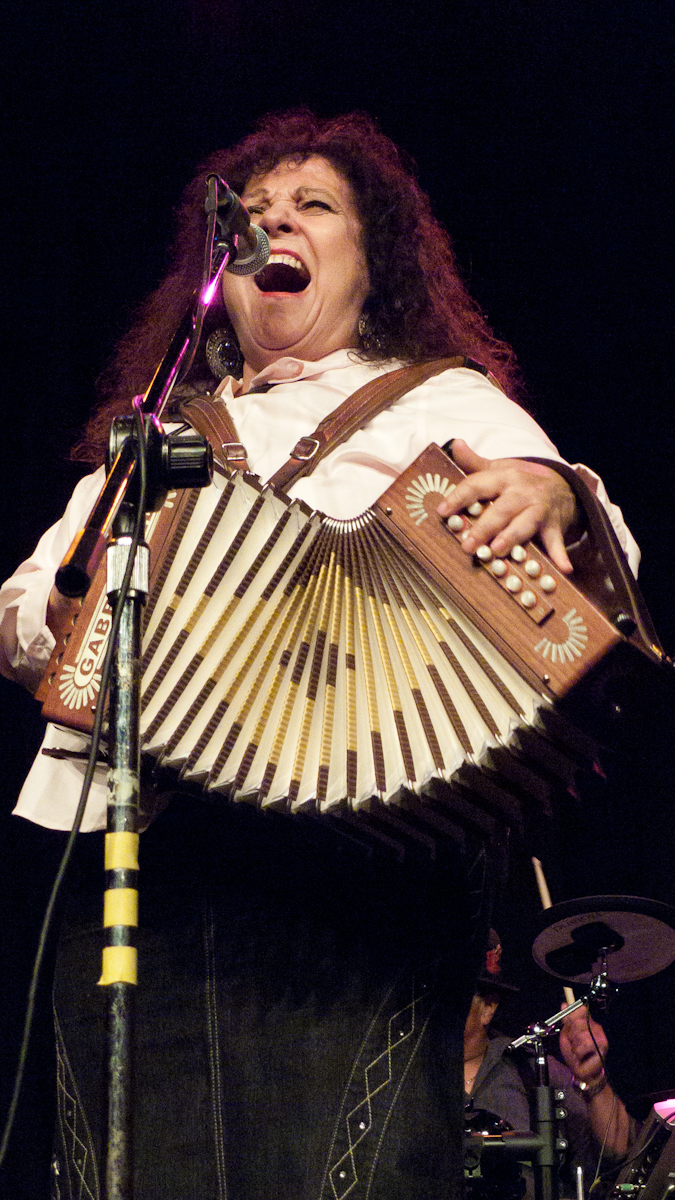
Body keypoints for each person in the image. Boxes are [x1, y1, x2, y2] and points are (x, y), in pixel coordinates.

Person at [0, 110, 639, 1199]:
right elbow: (29, 605)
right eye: (250, 214)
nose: (271, 225)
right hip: (155, 839)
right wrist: (64, 631)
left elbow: (593, 540)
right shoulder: (159, 437)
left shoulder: (437, 398)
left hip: (367, 858)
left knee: (341, 1162)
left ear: (369, 258)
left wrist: (553, 491)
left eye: (312, 207)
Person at [463, 933, 638, 1197]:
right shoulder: (404, 1076)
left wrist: (594, 1081)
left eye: (453, 992)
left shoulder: (534, 1070)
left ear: (488, 1006)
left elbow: (617, 1155)